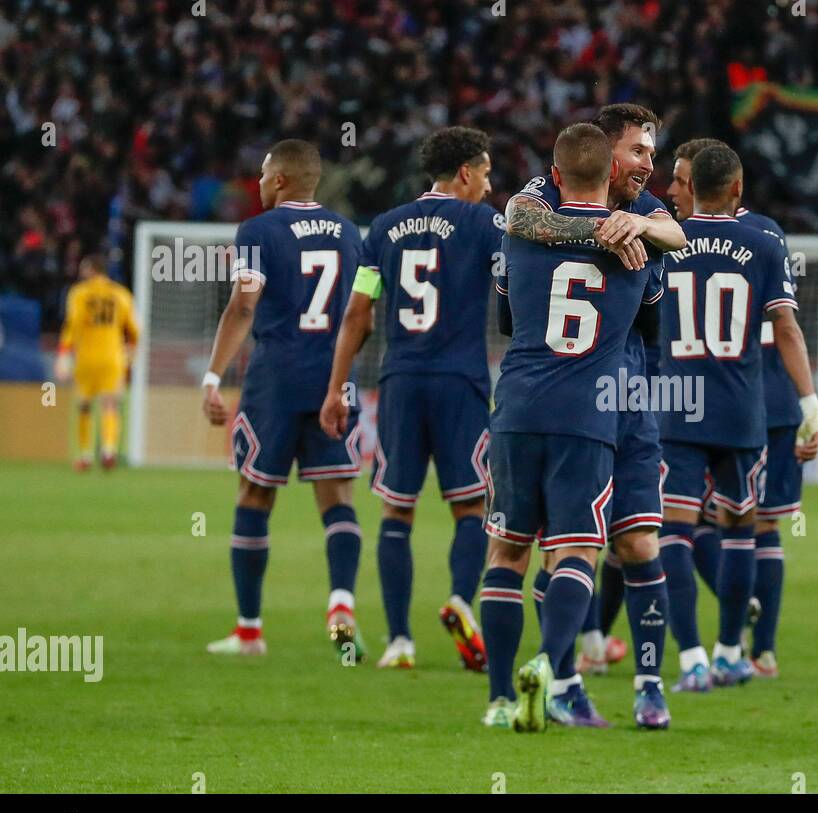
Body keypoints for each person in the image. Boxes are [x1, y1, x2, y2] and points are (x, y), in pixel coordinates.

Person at [503, 103, 686, 729]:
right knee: (563, 544)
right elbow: (517, 215)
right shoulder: (542, 191)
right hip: (582, 390)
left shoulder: (644, 215)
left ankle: (649, 685)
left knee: (638, 540)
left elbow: (677, 233)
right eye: (638, 152)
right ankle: (563, 680)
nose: (648, 166)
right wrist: (595, 231)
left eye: (654, 155)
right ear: (606, 153)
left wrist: (632, 226)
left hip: (629, 397)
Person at [321, 127, 503, 673]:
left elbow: (358, 312)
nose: (490, 186)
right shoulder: (484, 224)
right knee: (470, 506)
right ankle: (458, 602)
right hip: (461, 383)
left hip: (399, 380)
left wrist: (335, 388)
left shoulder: (384, 228)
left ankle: (399, 640)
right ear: (466, 173)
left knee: (397, 510)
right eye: (487, 173)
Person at [656, 143, 818, 692]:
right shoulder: (763, 244)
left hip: (676, 405)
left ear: (689, 186)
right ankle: (734, 651)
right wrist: (810, 403)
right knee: (740, 528)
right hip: (741, 408)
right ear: (736, 188)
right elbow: (788, 330)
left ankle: (692, 660)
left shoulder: (661, 241)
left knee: (675, 532)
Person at [200, 140, 366, 661]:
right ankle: (341, 602)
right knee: (337, 499)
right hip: (334, 379)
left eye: (263, 173)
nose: (258, 181)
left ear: (278, 181)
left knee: (254, 496)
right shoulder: (347, 233)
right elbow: (363, 313)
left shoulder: (258, 231)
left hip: (275, 380)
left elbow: (244, 305)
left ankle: (249, 631)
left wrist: (212, 375)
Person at [54, 255, 139, 471]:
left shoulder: (79, 293)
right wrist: (131, 352)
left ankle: (85, 455)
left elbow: (71, 326)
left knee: (84, 405)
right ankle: (109, 450)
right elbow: (134, 330)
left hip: (86, 357)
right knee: (110, 404)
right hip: (113, 356)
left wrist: (63, 356)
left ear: (91, 270)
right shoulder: (121, 294)